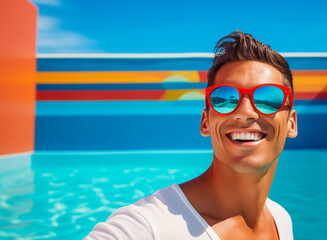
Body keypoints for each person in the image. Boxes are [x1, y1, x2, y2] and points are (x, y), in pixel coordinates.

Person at [85, 31, 297, 240]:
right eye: (226, 98)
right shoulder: (148, 226)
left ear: (291, 123)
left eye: (269, 98)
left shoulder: (281, 220)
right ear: (205, 123)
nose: (245, 112)